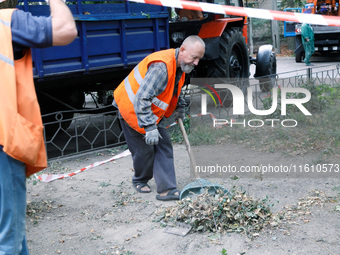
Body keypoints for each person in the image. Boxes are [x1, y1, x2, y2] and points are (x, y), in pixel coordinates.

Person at [0, 0, 77, 254]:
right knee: (8, 240)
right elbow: (66, 29)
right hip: (3, 141)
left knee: (13, 234)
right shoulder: (8, 22)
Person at [113, 35, 205, 201]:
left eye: (199, 59)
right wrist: (149, 128)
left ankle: (167, 189)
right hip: (131, 109)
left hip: (151, 112)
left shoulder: (180, 68)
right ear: (182, 50)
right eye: (194, 57)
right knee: (144, 151)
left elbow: (173, 92)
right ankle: (140, 179)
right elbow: (141, 98)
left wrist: (179, 108)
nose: (196, 62)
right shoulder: (161, 67)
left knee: (164, 145)